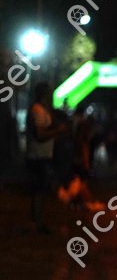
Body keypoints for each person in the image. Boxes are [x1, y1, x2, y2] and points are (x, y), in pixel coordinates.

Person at [26, 82, 68, 233]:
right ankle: (37, 223)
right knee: (39, 189)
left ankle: (37, 221)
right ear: (45, 94)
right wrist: (58, 131)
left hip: (42, 154)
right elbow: (39, 135)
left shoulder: (43, 110)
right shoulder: (37, 110)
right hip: (38, 155)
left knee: (41, 189)